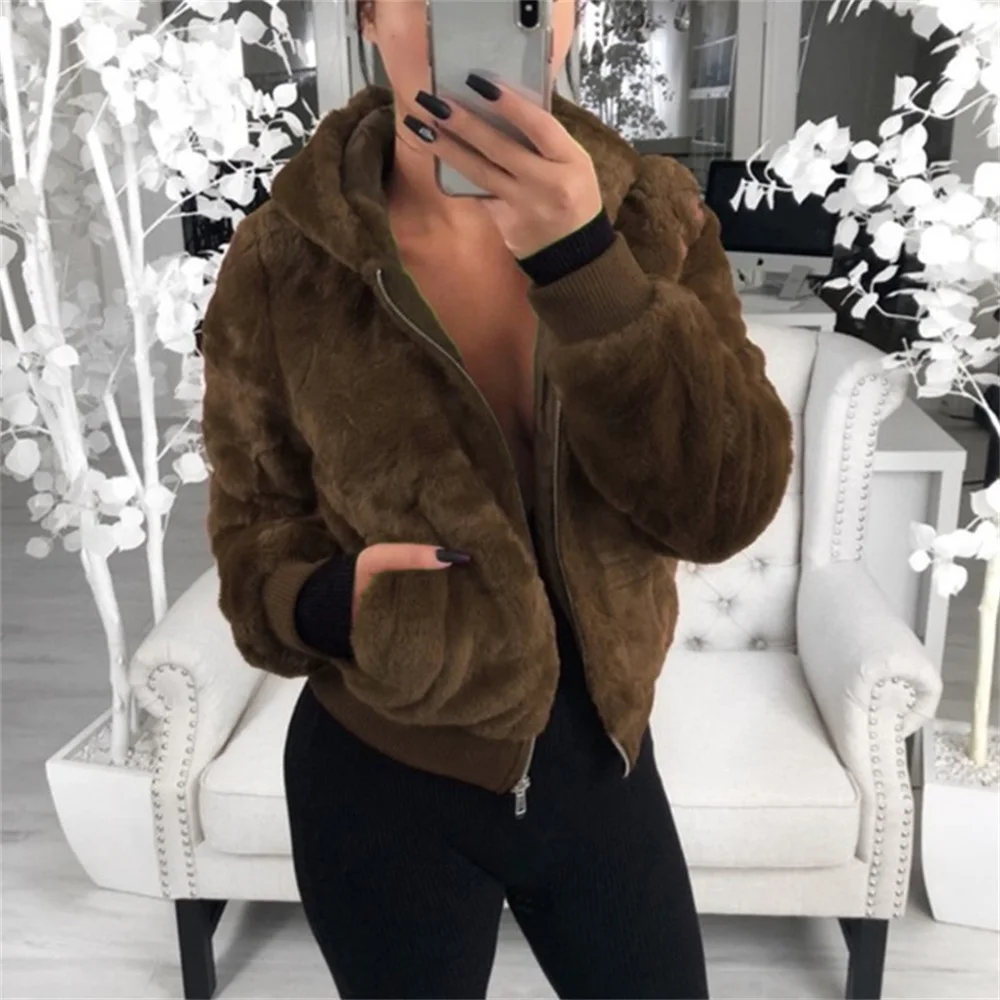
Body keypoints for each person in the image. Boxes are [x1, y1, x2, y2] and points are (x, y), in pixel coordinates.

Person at [200, 0, 793, 996]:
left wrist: (584, 264)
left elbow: (722, 508)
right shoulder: (282, 260)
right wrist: (326, 603)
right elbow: (253, 526)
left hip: (602, 768)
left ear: (568, 18)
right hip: (380, 777)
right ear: (368, 15)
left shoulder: (653, 220)